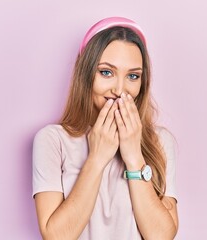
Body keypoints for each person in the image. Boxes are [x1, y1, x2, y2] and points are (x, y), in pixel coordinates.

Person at [32, 16, 179, 239]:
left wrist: (133, 155)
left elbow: (161, 236)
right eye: (106, 72)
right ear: (86, 74)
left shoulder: (160, 141)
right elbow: (56, 236)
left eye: (133, 76)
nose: (120, 89)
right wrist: (97, 158)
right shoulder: (53, 140)